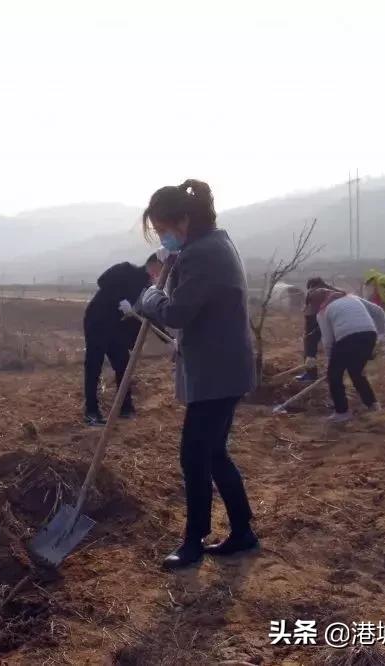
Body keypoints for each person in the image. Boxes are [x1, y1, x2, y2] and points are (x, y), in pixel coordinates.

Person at [136, 179, 257, 570]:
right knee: (214, 452)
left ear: (183, 220)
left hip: (218, 371)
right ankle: (242, 532)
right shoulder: (213, 243)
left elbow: (175, 313)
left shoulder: (202, 253)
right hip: (224, 366)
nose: (162, 238)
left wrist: (152, 295)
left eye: (162, 229)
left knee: (194, 455)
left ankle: (193, 541)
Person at [82, 254, 165, 425]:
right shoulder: (126, 269)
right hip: (98, 322)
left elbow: (152, 317)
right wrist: (121, 300)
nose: (162, 274)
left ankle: (125, 408)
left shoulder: (149, 290)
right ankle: (91, 412)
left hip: (116, 331)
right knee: (93, 366)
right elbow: (102, 280)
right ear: (154, 264)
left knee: (123, 365)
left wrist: (170, 340)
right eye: (162, 269)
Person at [307, 287, 385, 422]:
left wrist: (331, 364)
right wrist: (383, 333)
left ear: (317, 302)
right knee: (356, 372)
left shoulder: (323, 312)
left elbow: (328, 341)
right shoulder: (351, 297)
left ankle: (342, 412)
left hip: (347, 337)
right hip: (369, 334)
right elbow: (378, 311)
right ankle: (373, 405)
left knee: (334, 376)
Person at [295, 277, 339, 382]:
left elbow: (308, 310)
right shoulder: (334, 291)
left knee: (309, 346)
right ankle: (336, 373)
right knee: (335, 346)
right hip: (336, 321)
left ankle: (311, 375)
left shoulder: (314, 292)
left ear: (311, 285)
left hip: (317, 320)